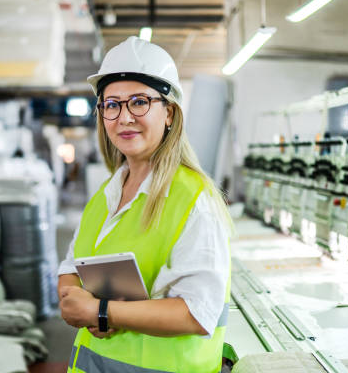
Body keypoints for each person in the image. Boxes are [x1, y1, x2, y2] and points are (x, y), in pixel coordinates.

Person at [58, 36, 233, 372]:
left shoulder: (195, 200)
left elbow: (198, 312)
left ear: (168, 113)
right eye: (111, 104)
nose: (124, 118)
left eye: (139, 102)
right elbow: (71, 266)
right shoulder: (104, 196)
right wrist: (71, 298)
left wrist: (100, 312)